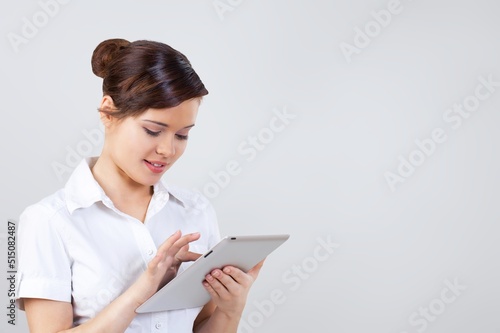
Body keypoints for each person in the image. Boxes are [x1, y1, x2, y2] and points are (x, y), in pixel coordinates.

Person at [15, 38, 263, 333]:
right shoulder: (50, 221)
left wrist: (230, 309)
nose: (167, 150)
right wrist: (142, 290)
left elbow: (201, 327)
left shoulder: (196, 211)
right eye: (153, 130)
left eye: (182, 135)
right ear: (108, 112)